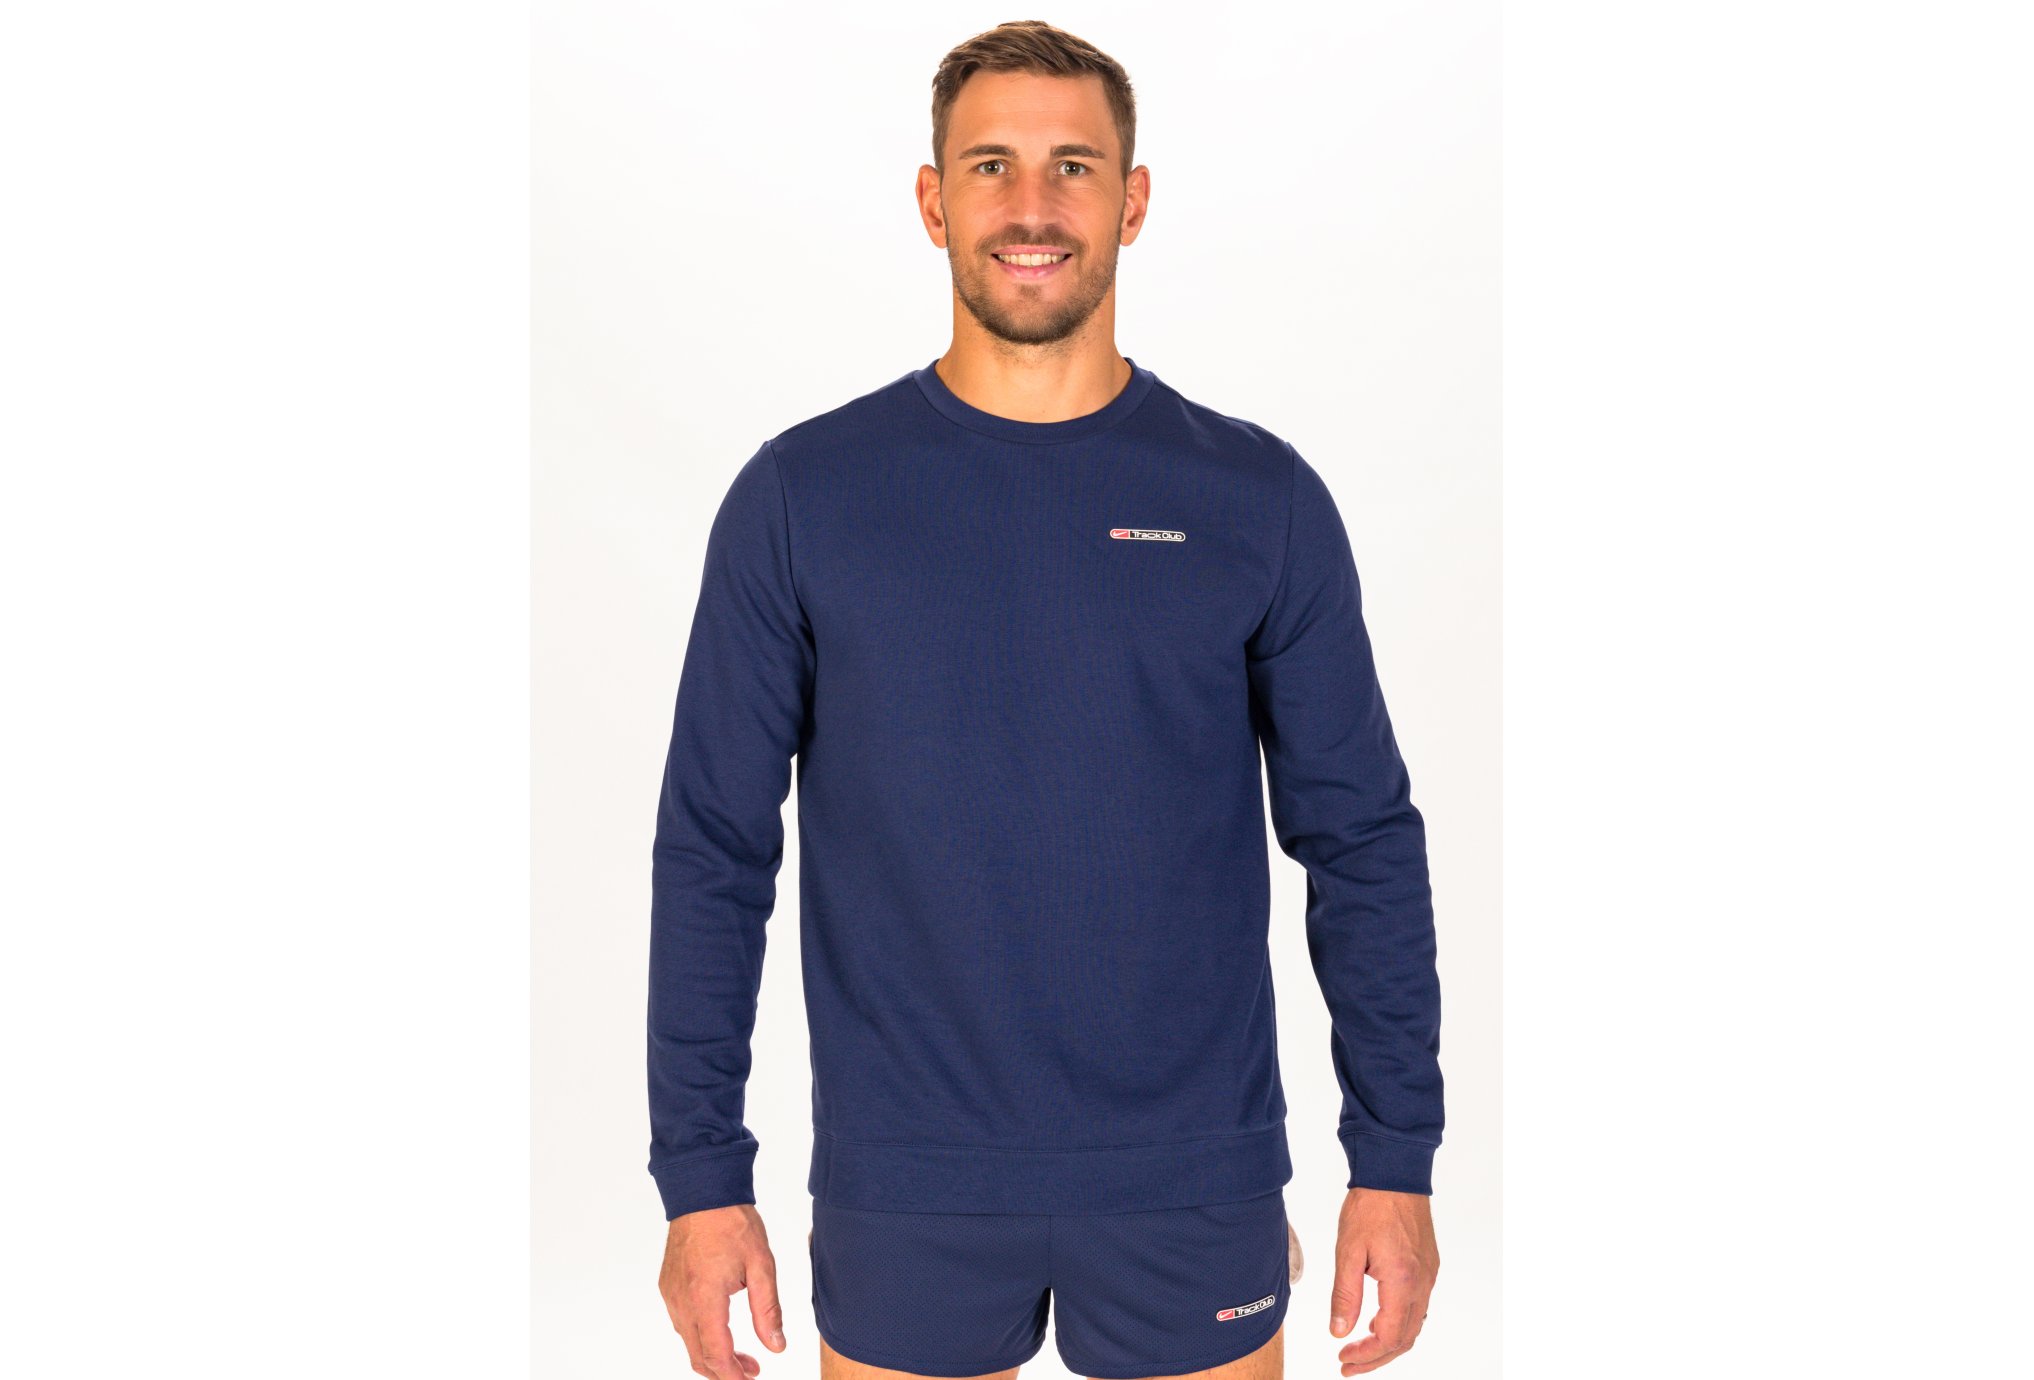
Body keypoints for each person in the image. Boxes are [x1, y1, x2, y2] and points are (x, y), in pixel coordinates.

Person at [649, 20, 1443, 1380]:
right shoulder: (804, 496)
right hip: (909, 1180)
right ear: (932, 200)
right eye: (991, 166)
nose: (1032, 207)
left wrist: (1394, 1158)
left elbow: (1361, 840)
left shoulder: (1254, 499)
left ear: (1132, 200)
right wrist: (701, 1179)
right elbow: (714, 851)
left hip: (1190, 1175)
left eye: (1073, 166)